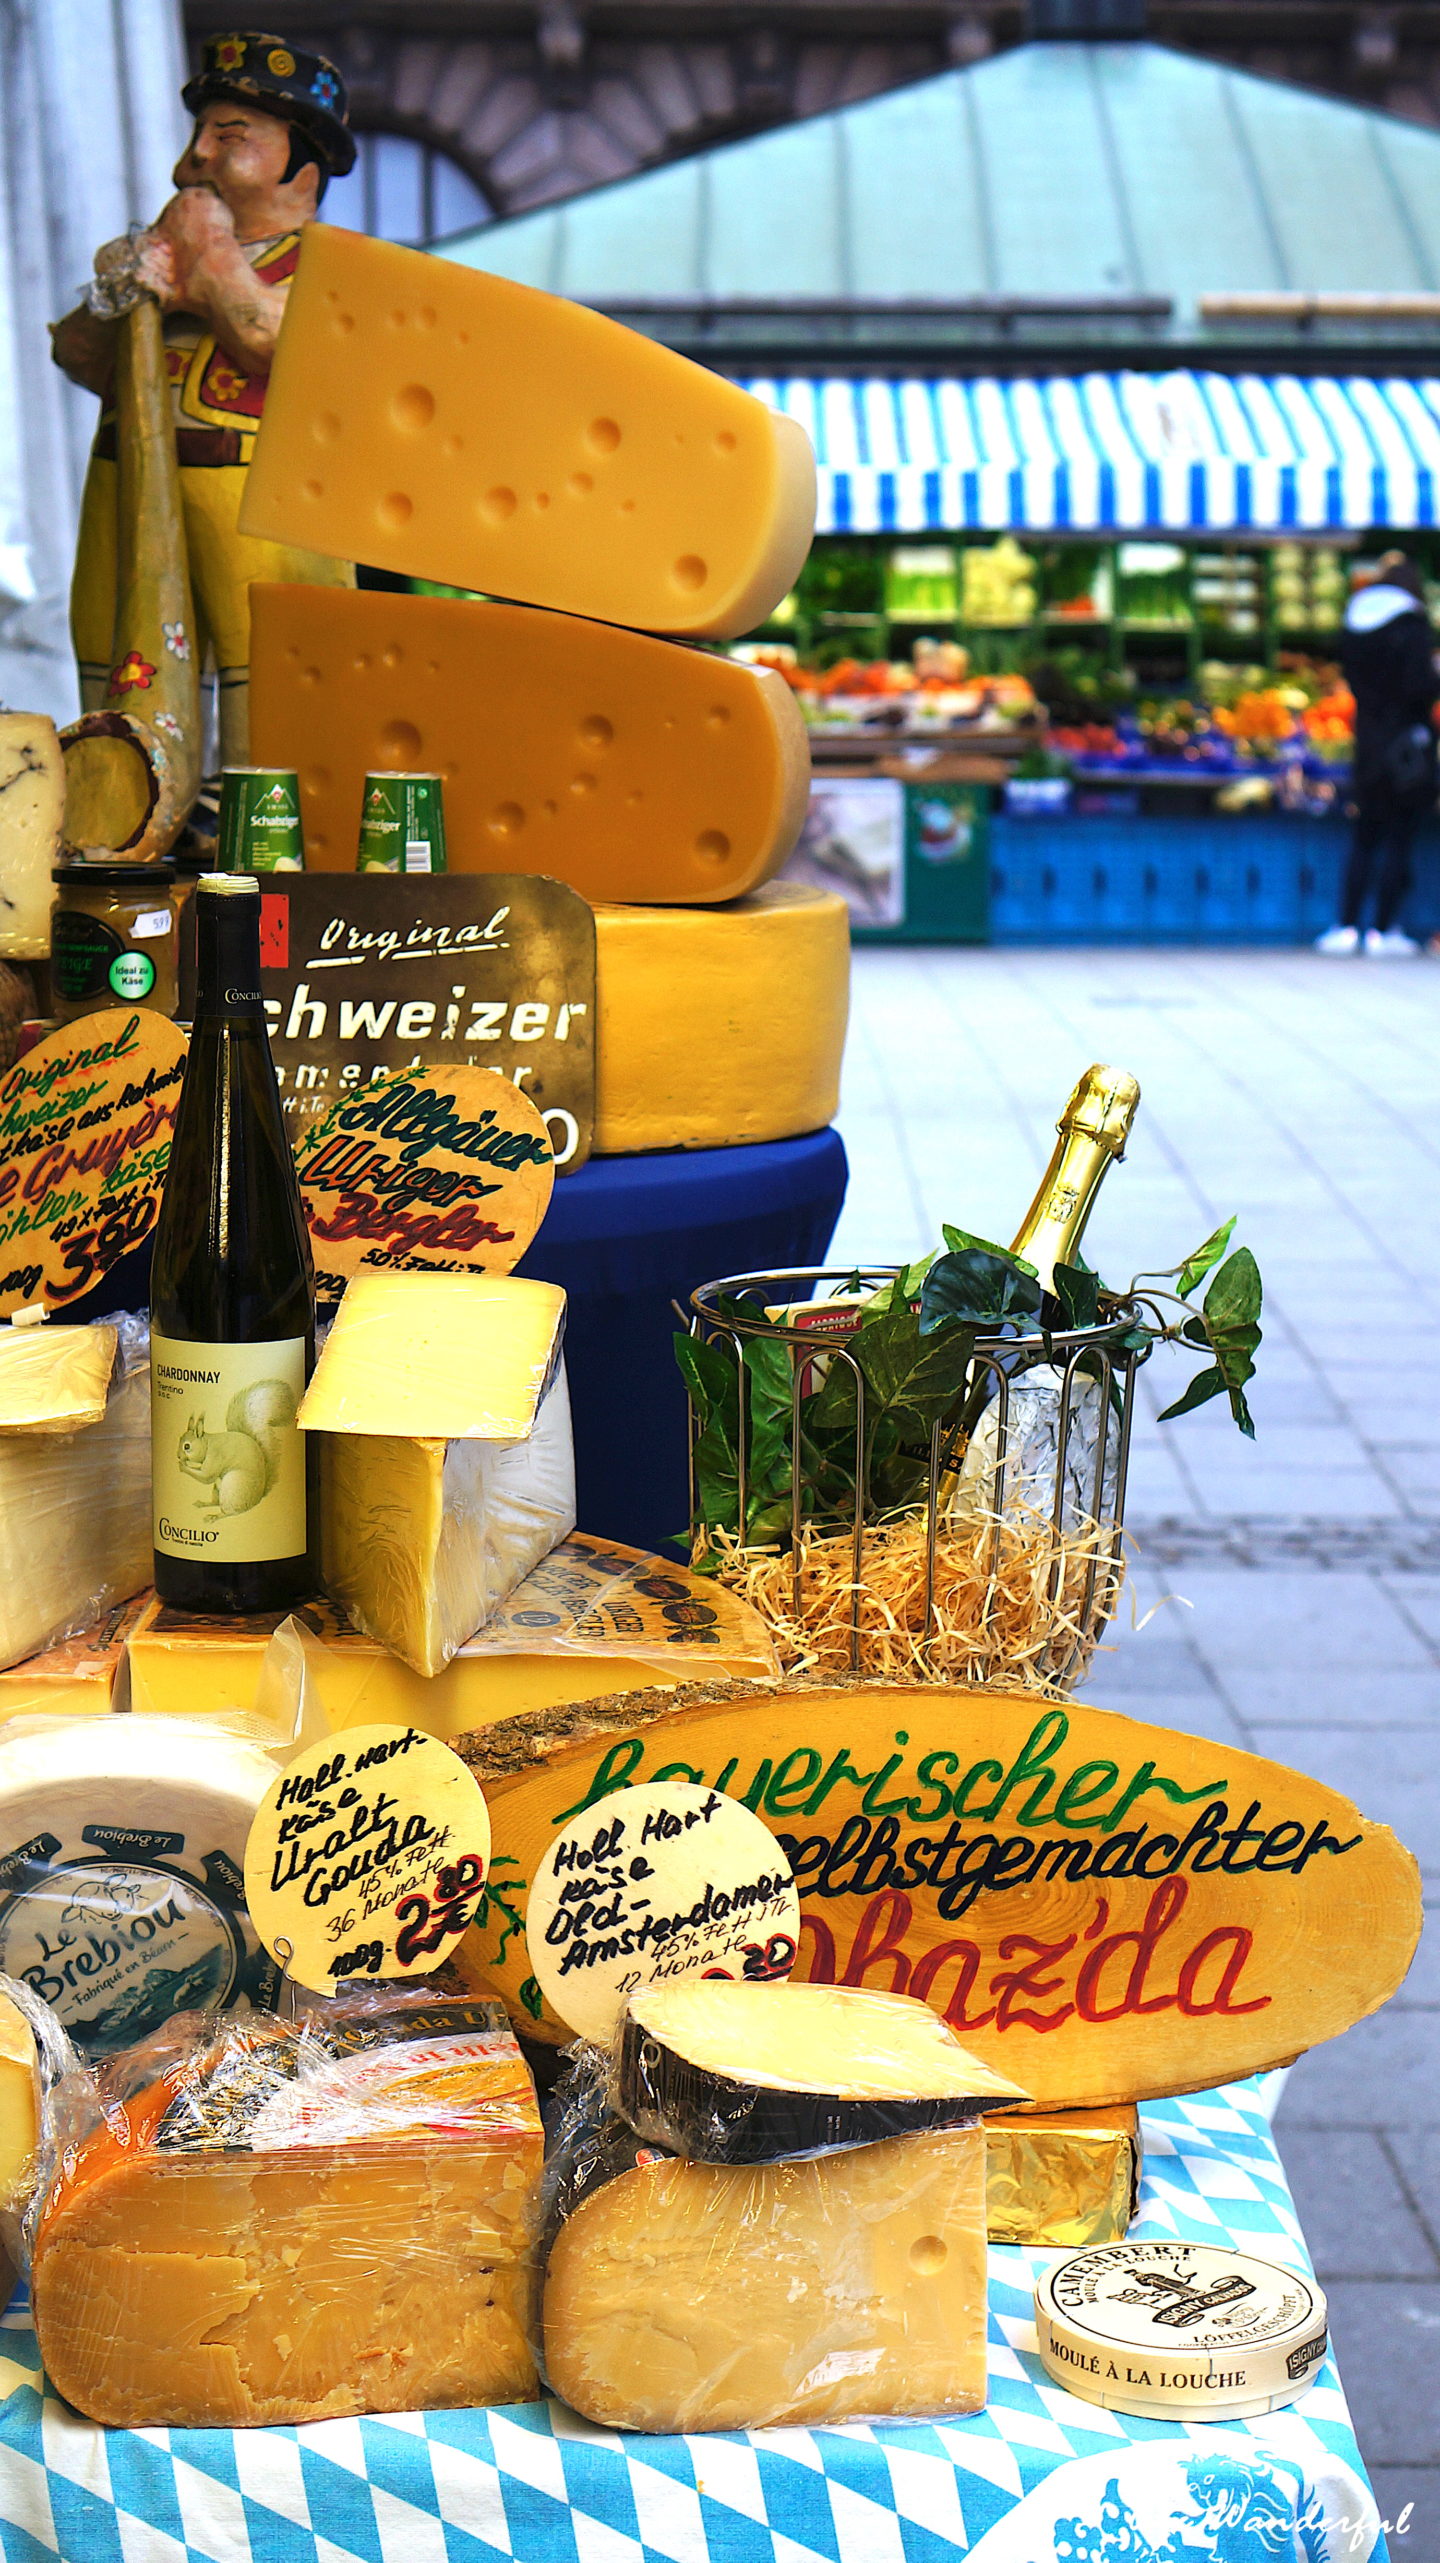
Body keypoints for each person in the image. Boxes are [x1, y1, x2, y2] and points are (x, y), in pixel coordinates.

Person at [50, 33, 357, 769]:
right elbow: (77, 356)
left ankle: (255, 819)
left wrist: (205, 256)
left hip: (258, 492)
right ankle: (124, 801)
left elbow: (267, 337)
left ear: (302, 159)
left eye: (230, 136)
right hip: (124, 486)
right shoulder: (163, 249)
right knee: (117, 654)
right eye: (198, 136)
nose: (194, 159)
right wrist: (118, 293)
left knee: (268, 665)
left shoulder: (328, 266)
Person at [1315, 551, 1437, 958]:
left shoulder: (1355, 625)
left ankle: (1346, 925)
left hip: (1366, 742)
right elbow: (1420, 687)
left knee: (1365, 837)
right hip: (1407, 747)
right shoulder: (1412, 626)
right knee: (1400, 839)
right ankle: (1384, 928)